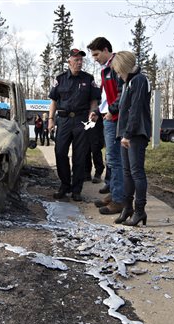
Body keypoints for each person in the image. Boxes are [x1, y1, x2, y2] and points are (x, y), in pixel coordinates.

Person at [48, 48, 101, 202]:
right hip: (63, 121)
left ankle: (77, 189)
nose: (79, 63)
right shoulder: (60, 79)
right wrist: (51, 119)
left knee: (80, 156)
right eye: (76, 60)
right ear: (69, 61)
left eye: (81, 60)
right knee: (60, 152)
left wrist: (93, 113)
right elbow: (54, 101)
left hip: (82, 121)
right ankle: (65, 185)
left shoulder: (89, 79)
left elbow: (94, 101)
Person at [111, 51, 152, 226]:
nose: (118, 74)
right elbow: (123, 107)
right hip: (125, 133)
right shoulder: (128, 82)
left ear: (123, 66)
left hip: (135, 133)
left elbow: (135, 109)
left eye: (118, 70)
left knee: (136, 172)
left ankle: (140, 210)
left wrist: (128, 134)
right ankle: (127, 208)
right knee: (127, 172)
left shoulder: (139, 80)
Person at [87, 37, 125, 215]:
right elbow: (105, 94)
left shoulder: (117, 65)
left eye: (96, 54)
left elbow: (122, 93)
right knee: (111, 159)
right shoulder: (105, 70)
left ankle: (119, 200)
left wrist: (111, 110)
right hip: (107, 116)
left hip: (116, 118)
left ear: (105, 50)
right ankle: (115, 193)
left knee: (115, 159)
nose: (94, 58)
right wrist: (98, 111)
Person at [84, 112, 105, 183]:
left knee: (96, 149)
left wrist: (96, 112)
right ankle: (86, 173)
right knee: (85, 150)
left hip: (96, 122)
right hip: (85, 122)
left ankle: (98, 173)